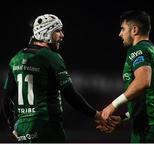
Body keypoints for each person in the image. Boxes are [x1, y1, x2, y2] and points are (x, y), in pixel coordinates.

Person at [1, 14, 115, 143]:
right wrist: (96, 115)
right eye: (58, 31)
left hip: (23, 128)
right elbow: (70, 94)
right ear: (46, 33)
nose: (62, 35)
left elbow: (6, 100)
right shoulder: (51, 57)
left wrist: (13, 127)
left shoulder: (16, 59)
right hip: (46, 126)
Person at [98, 10, 154, 142]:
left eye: (123, 29)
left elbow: (143, 82)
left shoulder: (137, 50)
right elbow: (149, 98)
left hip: (148, 129)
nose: (120, 34)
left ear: (134, 30)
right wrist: (123, 117)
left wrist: (113, 105)